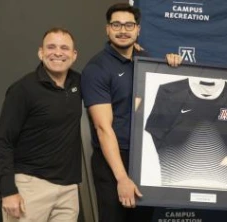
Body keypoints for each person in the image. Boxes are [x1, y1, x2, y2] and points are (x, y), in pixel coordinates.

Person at [81, 3, 182, 222]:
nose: (123, 30)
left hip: (147, 158)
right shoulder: (96, 68)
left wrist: (173, 66)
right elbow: (102, 127)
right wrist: (122, 178)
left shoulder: (147, 62)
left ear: (138, 30)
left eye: (129, 25)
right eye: (116, 24)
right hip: (115, 162)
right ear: (107, 29)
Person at [0, 27, 82, 222]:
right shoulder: (23, 89)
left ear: (74, 55)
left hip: (69, 190)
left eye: (64, 48)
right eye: (51, 47)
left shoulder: (80, 83)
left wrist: (138, 54)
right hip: (30, 188)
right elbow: (3, 142)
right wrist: (8, 191)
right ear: (40, 52)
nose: (58, 53)